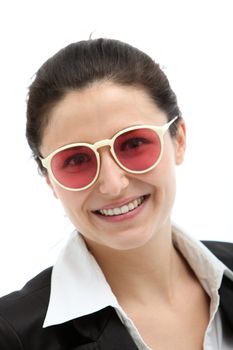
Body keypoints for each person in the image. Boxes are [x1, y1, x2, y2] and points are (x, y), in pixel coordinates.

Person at [0, 38, 233, 350]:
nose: (113, 184)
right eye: (76, 160)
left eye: (134, 144)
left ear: (179, 140)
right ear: (50, 181)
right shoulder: (13, 336)